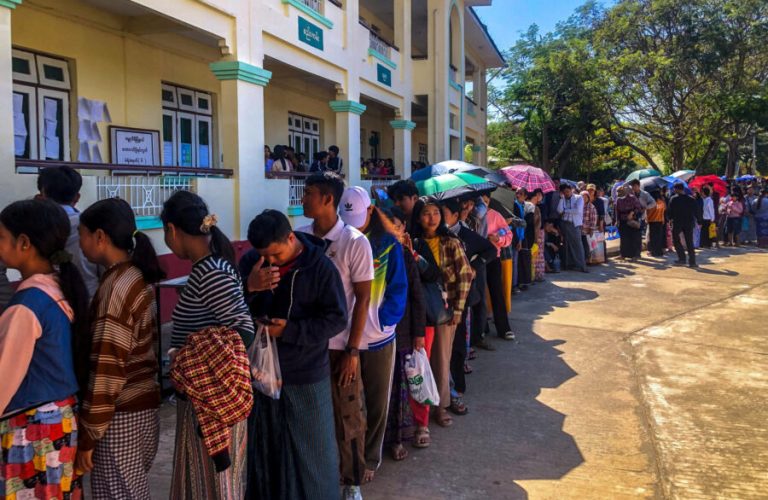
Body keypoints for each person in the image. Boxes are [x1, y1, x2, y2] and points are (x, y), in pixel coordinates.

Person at [240, 210, 347, 500]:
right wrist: (250, 288)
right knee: (266, 450)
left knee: (311, 454)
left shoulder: (320, 268)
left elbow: (337, 319)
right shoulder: (253, 263)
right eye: (265, 256)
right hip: (260, 375)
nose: (271, 262)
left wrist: (290, 331)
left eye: (276, 254)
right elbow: (233, 309)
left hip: (305, 374)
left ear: (291, 238)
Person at [161, 191, 255, 499]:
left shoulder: (212, 272)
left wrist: (189, 357)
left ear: (172, 230)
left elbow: (243, 330)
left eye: (166, 233)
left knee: (215, 487)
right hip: (205, 400)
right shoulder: (209, 267)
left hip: (212, 402)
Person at [75, 198, 164, 499]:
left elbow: (107, 367)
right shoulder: (133, 276)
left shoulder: (117, 288)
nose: (80, 242)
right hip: (141, 408)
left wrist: (90, 432)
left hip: (121, 415)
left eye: (82, 233)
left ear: (100, 237)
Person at [0, 199, 89, 500]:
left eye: (1, 237)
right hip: (59, 422)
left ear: (24, 243)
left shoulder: (27, 307)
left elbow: (3, 381)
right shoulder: (58, 288)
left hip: (32, 428)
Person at [296, 172, 373, 499]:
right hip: (305, 344)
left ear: (328, 199)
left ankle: (351, 481)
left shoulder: (354, 242)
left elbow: (363, 299)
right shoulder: (298, 238)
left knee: (347, 416)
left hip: (340, 346)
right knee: (308, 416)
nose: (303, 198)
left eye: (310, 193)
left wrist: (353, 351)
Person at [338, 186, 407, 484]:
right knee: (349, 404)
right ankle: (347, 458)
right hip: (343, 339)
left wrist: (383, 321)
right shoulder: (338, 240)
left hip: (379, 339)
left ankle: (370, 457)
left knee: (378, 401)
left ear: (370, 211)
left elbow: (398, 288)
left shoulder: (389, 245)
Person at [409, 198, 473, 429]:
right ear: (418, 217)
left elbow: (465, 274)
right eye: (426, 213)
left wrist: (458, 309)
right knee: (420, 362)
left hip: (445, 310)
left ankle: (441, 406)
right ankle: (420, 410)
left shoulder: (450, 242)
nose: (432, 218)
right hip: (418, 310)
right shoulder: (412, 243)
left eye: (436, 212)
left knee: (441, 360)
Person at [441, 199, 496, 416]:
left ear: (455, 216)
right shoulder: (433, 237)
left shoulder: (465, 235)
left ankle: (457, 388)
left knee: (457, 345)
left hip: (461, 298)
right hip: (441, 299)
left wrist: (474, 266)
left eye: (442, 213)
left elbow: (490, 250)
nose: (437, 218)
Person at [382, 207, 427, 459]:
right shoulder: (370, 250)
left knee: (399, 387)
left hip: (402, 333)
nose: (391, 229)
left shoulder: (405, 255)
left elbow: (417, 297)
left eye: (395, 224)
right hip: (374, 334)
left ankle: (397, 438)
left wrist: (418, 333)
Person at [37, 165, 100, 298]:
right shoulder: (92, 226)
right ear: (77, 197)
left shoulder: (31, 225)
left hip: (49, 302)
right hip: (89, 300)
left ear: (41, 195)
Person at [482, 195, 516, 340]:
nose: (483, 204)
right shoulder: (469, 216)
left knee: (497, 292)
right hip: (475, 259)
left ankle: (504, 328)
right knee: (478, 295)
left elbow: (508, 234)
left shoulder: (495, 215)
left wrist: (498, 239)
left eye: (486, 201)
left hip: (493, 258)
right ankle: (481, 328)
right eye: (480, 201)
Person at [557, 183, 588, 272]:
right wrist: (562, 199)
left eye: (568, 191)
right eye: (564, 192)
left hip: (574, 224)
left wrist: (565, 211)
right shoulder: (562, 199)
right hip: (564, 223)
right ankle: (569, 264)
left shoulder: (579, 198)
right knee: (566, 245)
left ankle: (582, 266)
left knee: (577, 245)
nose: (566, 193)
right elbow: (559, 210)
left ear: (571, 190)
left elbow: (577, 210)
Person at [668, 182, 700, 267]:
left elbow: (670, 212)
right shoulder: (691, 199)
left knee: (676, 240)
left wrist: (670, 219)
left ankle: (682, 258)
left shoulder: (673, 199)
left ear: (677, 189)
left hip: (677, 223)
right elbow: (697, 211)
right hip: (689, 223)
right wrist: (699, 221)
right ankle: (692, 262)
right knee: (689, 242)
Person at [615, 186, 644, 260]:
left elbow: (638, 208)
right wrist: (617, 220)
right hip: (623, 220)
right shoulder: (618, 200)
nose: (619, 195)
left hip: (632, 220)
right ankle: (623, 254)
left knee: (634, 238)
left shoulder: (633, 198)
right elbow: (617, 211)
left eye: (620, 193)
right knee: (624, 239)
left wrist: (632, 213)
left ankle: (636, 255)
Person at [646, 191, 666, 257]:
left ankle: (654, 252)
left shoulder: (652, 204)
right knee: (659, 237)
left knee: (653, 238)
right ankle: (659, 252)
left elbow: (648, 212)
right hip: (660, 221)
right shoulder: (662, 203)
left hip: (652, 221)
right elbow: (663, 211)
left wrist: (647, 219)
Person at [580, 190, 598, 263]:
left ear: (588, 197)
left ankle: (587, 259)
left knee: (587, 245)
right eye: (582, 197)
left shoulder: (591, 206)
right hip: (579, 229)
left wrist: (591, 229)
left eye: (585, 197)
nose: (584, 198)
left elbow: (593, 219)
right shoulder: (579, 206)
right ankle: (584, 259)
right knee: (582, 245)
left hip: (587, 230)